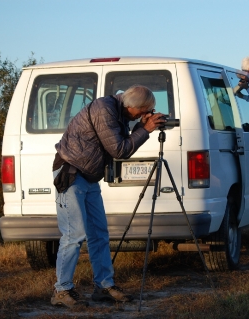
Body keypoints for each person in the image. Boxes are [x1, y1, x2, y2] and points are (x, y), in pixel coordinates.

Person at [51, 85, 166, 308]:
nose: (145, 115)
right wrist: (146, 129)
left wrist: (141, 126)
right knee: (74, 234)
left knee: (99, 233)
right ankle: (62, 290)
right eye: (143, 111)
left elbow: (119, 142)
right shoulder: (105, 109)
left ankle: (103, 286)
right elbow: (119, 150)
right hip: (71, 172)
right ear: (132, 106)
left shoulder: (119, 112)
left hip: (89, 176)